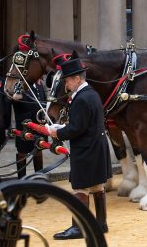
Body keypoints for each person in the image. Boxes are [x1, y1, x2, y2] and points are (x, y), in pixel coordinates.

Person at [48, 57, 112, 239]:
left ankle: (79, 227)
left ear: (78, 78)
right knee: (97, 187)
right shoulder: (91, 94)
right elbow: (82, 124)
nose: (66, 85)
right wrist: (63, 128)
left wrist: (57, 133)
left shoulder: (82, 98)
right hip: (95, 146)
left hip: (86, 149)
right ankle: (100, 224)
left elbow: (77, 128)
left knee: (80, 189)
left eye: (68, 80)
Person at [11, 77, 46, 178]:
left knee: (38, 152)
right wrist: (15, 96)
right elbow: (14, 100)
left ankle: (39, 179)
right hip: (24, 125)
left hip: (39, 125)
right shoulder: (20, 84)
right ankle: (22, 181)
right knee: (22, 153)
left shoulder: (40, 84)